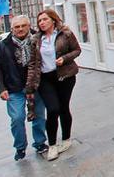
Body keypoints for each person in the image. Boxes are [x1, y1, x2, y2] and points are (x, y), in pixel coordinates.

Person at [28, 9, 81, 161]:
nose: (42, 23)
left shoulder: (66, 34)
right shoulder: (36, 39)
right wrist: (30, 84)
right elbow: (33, 63)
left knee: (64, 108)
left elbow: (77, 50)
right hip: (45, 78)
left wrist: (64, 58)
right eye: (39, 21)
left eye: (44, 19)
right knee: (52, 109)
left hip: (65, 76)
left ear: (53, 20)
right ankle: (52, 145)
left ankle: (66, 140)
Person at [0, 16, 47, 161]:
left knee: (39, 116)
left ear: (29, 26)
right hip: (14, 88)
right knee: (17, 118)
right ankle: (20, 147)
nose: (21, 29)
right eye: (17, 27)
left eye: (23, 25)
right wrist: (1, 88)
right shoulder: (4, 45)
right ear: (12, 29)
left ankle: (40, 143)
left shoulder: (39, 39)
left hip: (35, 86)